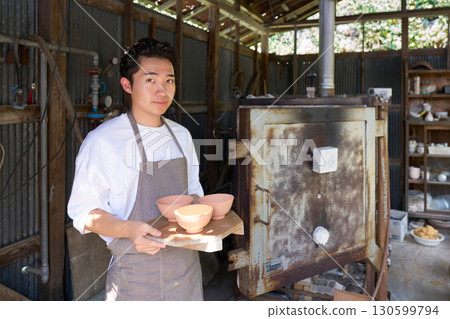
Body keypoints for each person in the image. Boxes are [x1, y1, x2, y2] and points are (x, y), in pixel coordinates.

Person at [68, 38, 204, 301]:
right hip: (135, 277)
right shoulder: (104, 141)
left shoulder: (182, 136)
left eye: (169, 81)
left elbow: (194, 193)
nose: (162, 90)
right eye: (150, 80)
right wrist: (128, 229)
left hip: (187, 270)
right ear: (127, 85)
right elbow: (83, 213)